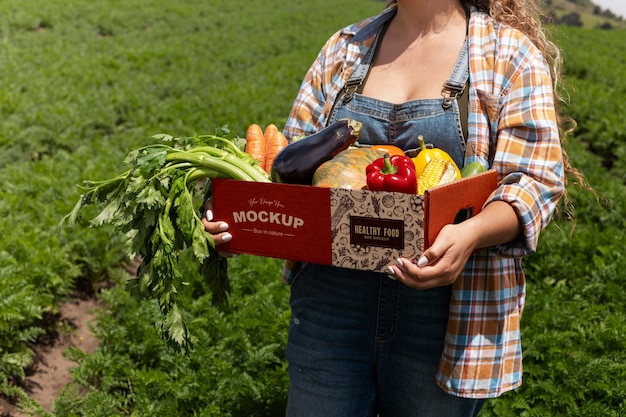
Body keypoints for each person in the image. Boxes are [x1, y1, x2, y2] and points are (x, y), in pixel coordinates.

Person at [204, 0, 583, 415]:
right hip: (331, 307)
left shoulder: (507, 55)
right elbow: (291, 171)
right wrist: (246, 219)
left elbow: (534, 182)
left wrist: (470, 233)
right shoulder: (345, 48)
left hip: (444, 312)